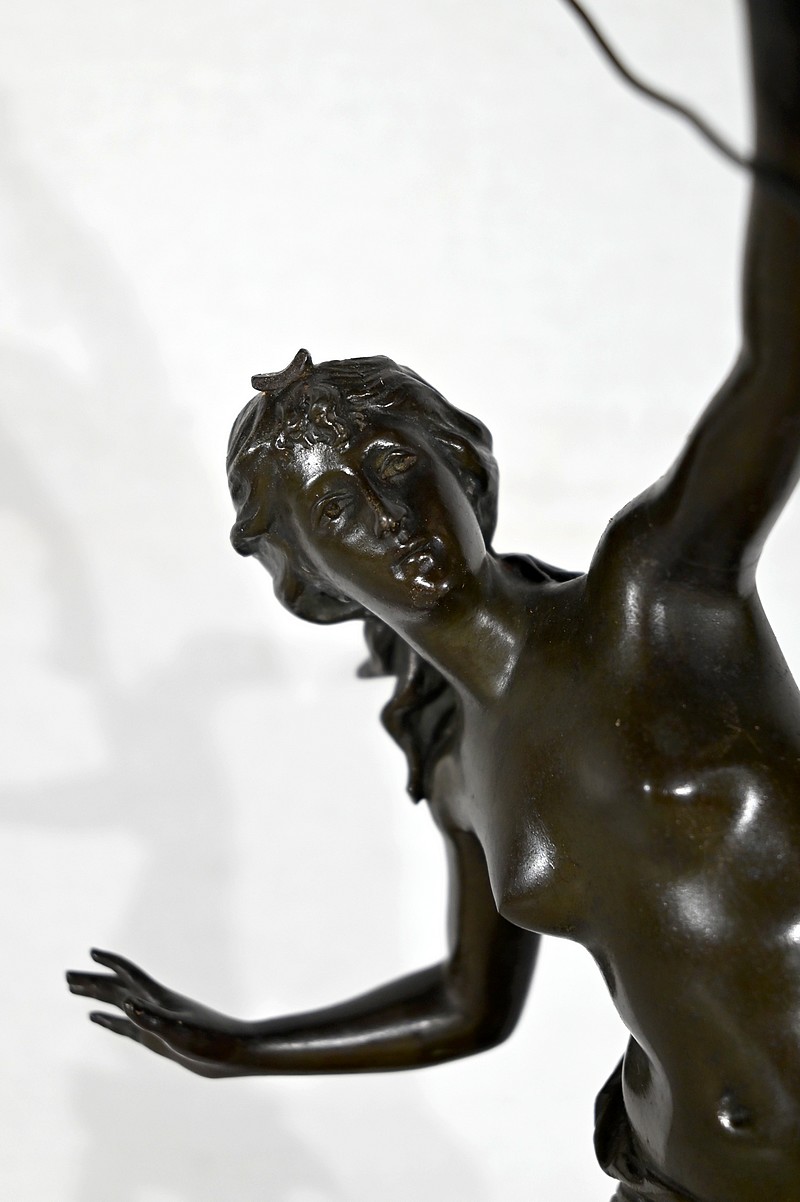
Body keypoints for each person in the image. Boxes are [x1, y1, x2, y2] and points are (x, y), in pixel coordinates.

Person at [68, 2, 800, 1198]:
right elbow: (470, 1005)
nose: (384, 514)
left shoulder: (656, 598)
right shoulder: (460, 761)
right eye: (334, 509)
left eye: (391, 464)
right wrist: (238, 1048)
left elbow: (776, 368)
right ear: (308, 579)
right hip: (677, 1175)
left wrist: (778, 73)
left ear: (457, 464)